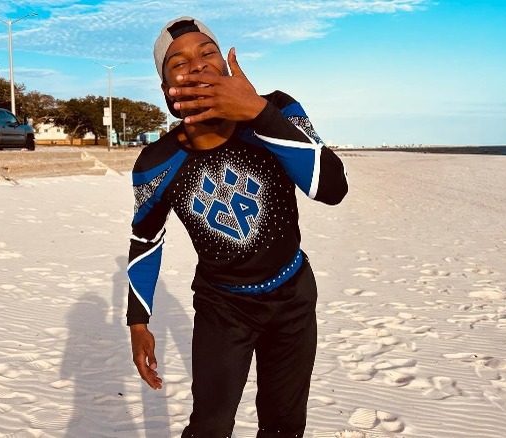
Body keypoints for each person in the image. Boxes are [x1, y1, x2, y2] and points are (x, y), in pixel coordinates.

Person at [126, 16, 348, 437]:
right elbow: (145, 240)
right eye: (179, 62)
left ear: (228, 67)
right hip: (222, 306)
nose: (197, 65)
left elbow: (331, 188)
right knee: (210, 425)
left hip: (293, 295)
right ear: (166, 91)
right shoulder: (156, 164)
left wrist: (258, 112)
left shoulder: (277, 111)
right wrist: (139, 321)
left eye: (208, 53)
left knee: (284, 425)